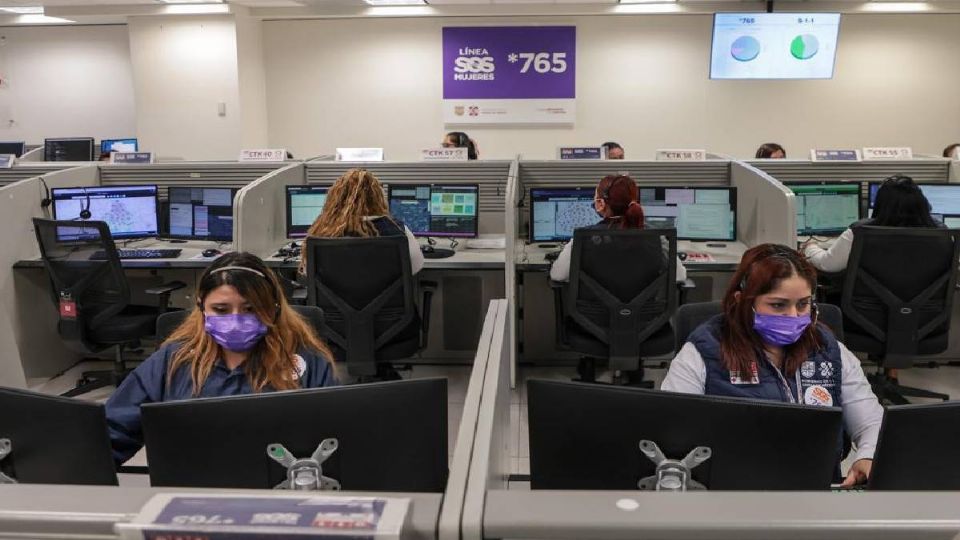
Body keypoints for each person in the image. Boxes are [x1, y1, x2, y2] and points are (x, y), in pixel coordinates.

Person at [662, 244, 883, 487]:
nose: (793, 316)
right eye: (778, 305)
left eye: (803, 304)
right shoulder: (704, 350)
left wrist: (868, 455)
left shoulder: (827, 348)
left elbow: (872, 421)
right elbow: (672, 432)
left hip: (817, 490)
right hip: (730, 492)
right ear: (743, 300)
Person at [105, 252, 339, 464]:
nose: (236, 320)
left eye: (250, 309)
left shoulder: (306, 361)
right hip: (193, 495)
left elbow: (338, 439)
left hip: (281, 495)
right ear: (202, 308)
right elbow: (112, 432)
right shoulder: (174, 360)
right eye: (221, 309)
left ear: (274, 309)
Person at [549, 174, 687, 283]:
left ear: (600, 203)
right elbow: (679, 276)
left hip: (594, 317)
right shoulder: (656, 237)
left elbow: (558, 275)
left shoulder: (583, 237)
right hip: (645, 317)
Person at [802, 175, 940, 273]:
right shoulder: (942, 234)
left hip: (868, 310)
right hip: (928, 311)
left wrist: (810, 247)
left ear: (881, 205)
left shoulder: (860, 232)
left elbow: (828, 264)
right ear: (922, 203)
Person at [300, 168, 423, 276]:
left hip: (329, 303)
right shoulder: (398, 230)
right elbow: (415, 266)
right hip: (388, 302)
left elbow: (307, 271)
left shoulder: (321, 233)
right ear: (378, 198)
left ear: (335, 199)